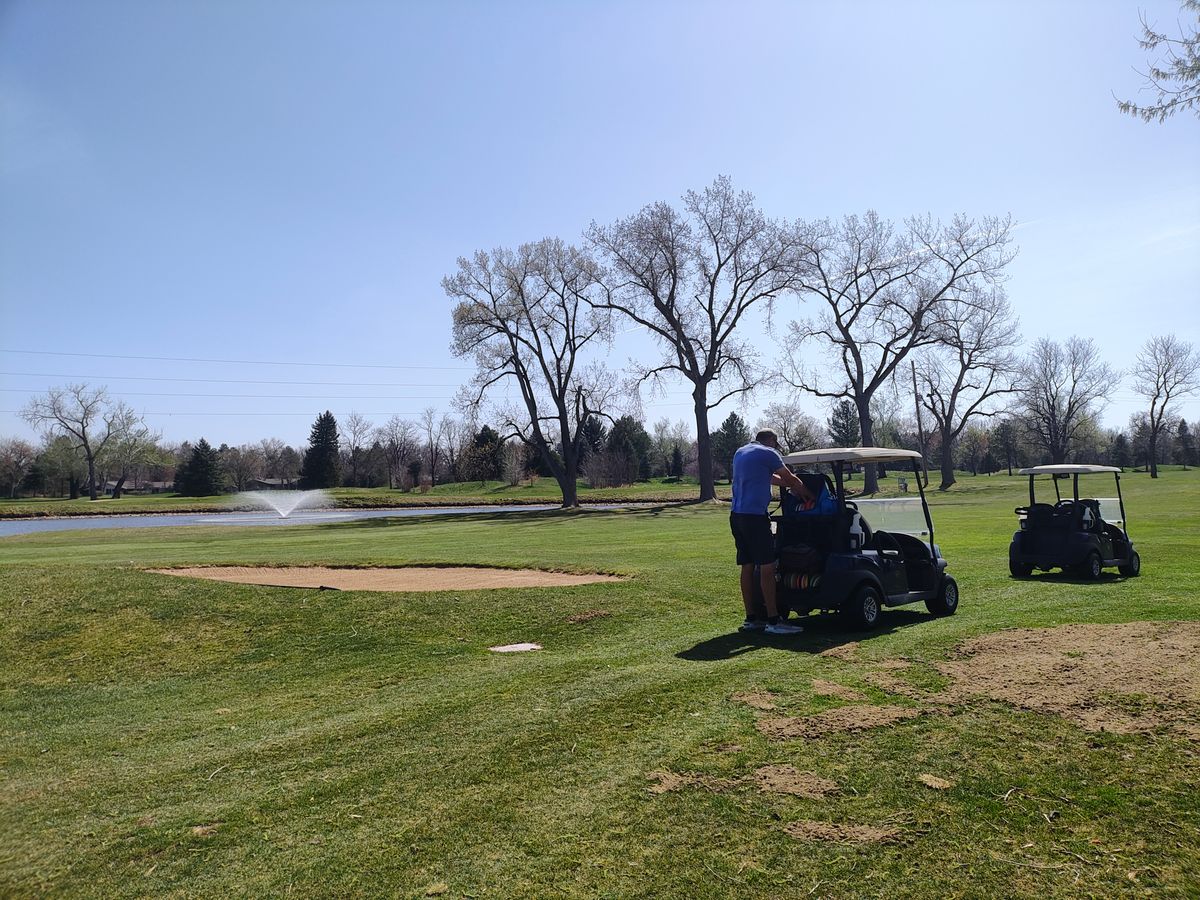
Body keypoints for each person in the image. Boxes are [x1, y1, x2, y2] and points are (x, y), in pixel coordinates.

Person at [729, 429, 815, 635]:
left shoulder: (741, 452)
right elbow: (792, 479)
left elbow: (770, 478)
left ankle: (752, 618)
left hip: (737, 516)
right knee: (767, 566)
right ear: (772, 441)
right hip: (755, 518)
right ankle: (774, 620)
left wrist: (786, 482)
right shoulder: (769, 453)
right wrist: (809, 494)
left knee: (747, 565)